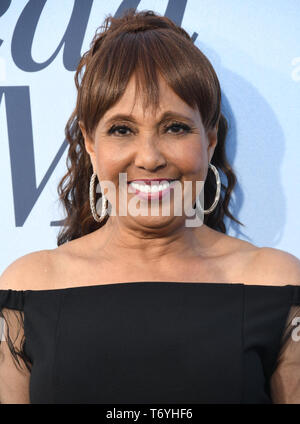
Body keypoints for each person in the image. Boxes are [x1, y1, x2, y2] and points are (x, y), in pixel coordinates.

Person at [0, 9, 300, 404]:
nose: (149, 157)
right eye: (122, 130)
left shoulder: (274, 282)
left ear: (209, 141)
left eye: (175, 127)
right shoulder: (29, 286)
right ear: (91, 144)